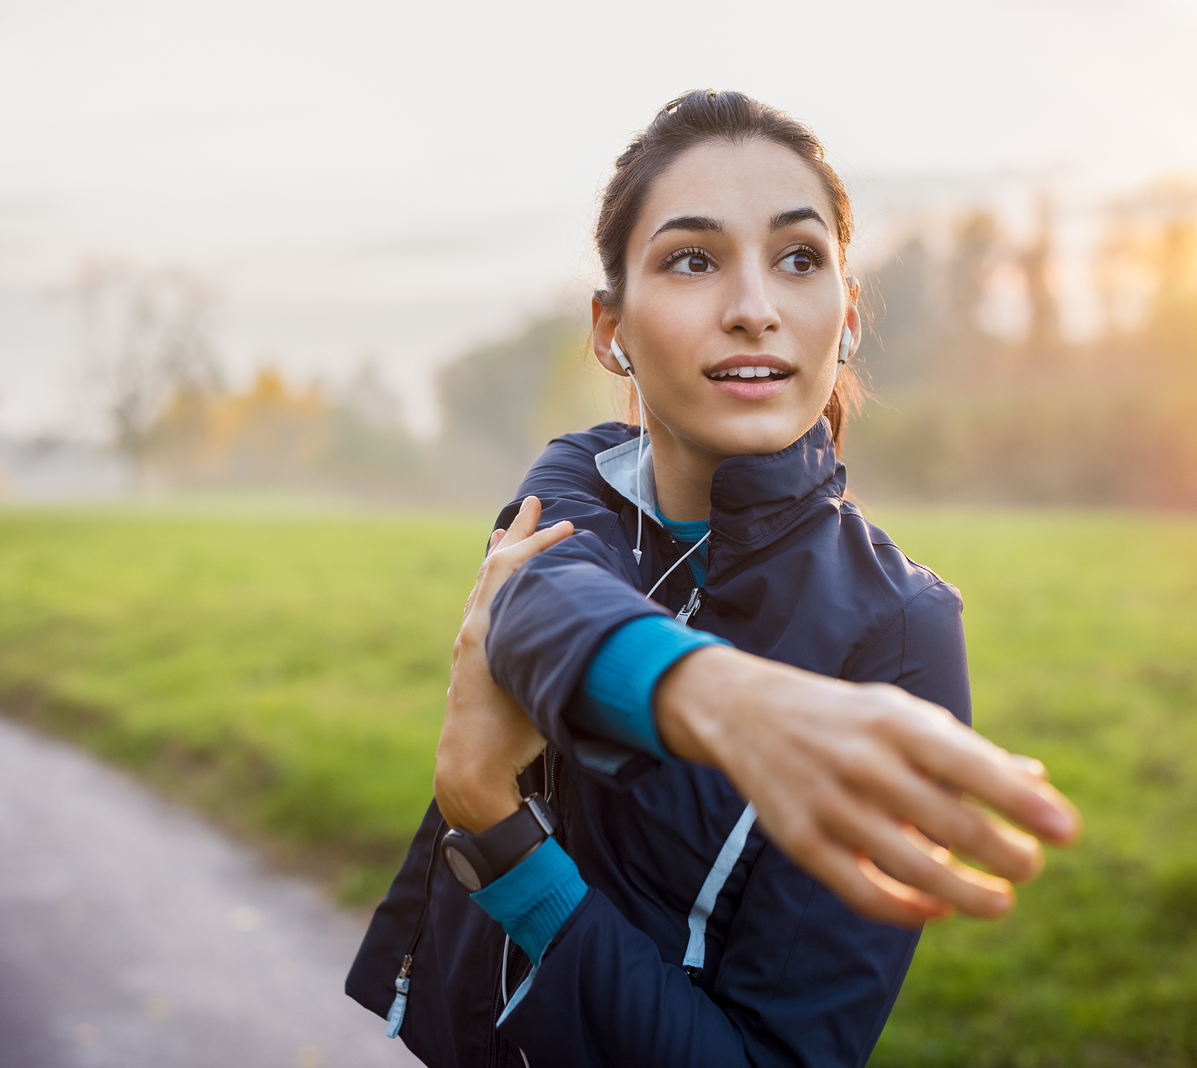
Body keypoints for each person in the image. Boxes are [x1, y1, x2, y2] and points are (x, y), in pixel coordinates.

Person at [347, 90, 1081, 1068]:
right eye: (692, 260)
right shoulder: (581, 476)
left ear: (847, 318)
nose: (752, 309)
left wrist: (494, 827)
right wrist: (724, 698)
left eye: (798, 259)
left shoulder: (899, 631)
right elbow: (533, 601)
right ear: (610, 330)